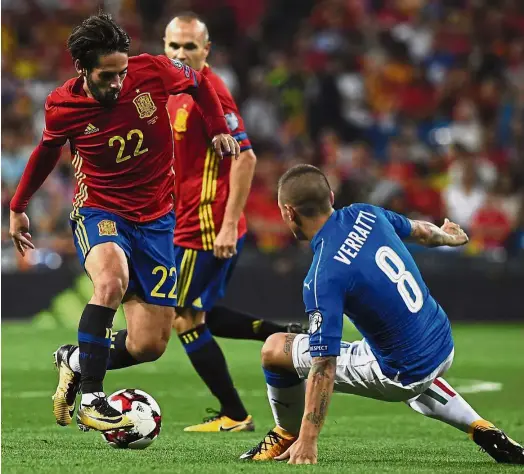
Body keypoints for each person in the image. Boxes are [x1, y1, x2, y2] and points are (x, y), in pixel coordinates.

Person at [9, 13, 240, 433]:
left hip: (156, 220)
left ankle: (75, 361)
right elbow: (46, 151)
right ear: (82, 69)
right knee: (110, 282)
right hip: (100, 210)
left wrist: (217, 126)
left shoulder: (152, 69)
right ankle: (93, 398)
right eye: (106, 75)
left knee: (149, 344)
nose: (117, 82)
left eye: (121, 72)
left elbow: (200, 81)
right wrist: (18, 204)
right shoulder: (62, 105)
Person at [240, 164, 524, 465]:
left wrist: (309, 441)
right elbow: (422, 231)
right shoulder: (367, 213)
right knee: (398, 354)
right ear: (331, 197)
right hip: (442, 341)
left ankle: (287, 434)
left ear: (288, 212)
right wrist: (446, 236)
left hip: (400, 374)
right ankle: (481, 427)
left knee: (274, 348)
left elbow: (324, 365)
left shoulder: (322, 275)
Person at [162, 12, 304, 433]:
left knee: (183, 318)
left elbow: (245, 156)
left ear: (207, 50)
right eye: (174, 45)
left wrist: (227, 225)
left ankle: (235, 414)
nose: (181, 53)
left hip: (204, 228)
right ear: (163, 46)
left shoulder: (212, 91)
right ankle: (290, 336)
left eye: (190, 46)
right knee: (203, 314)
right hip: (184, 223)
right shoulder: (170, 89)